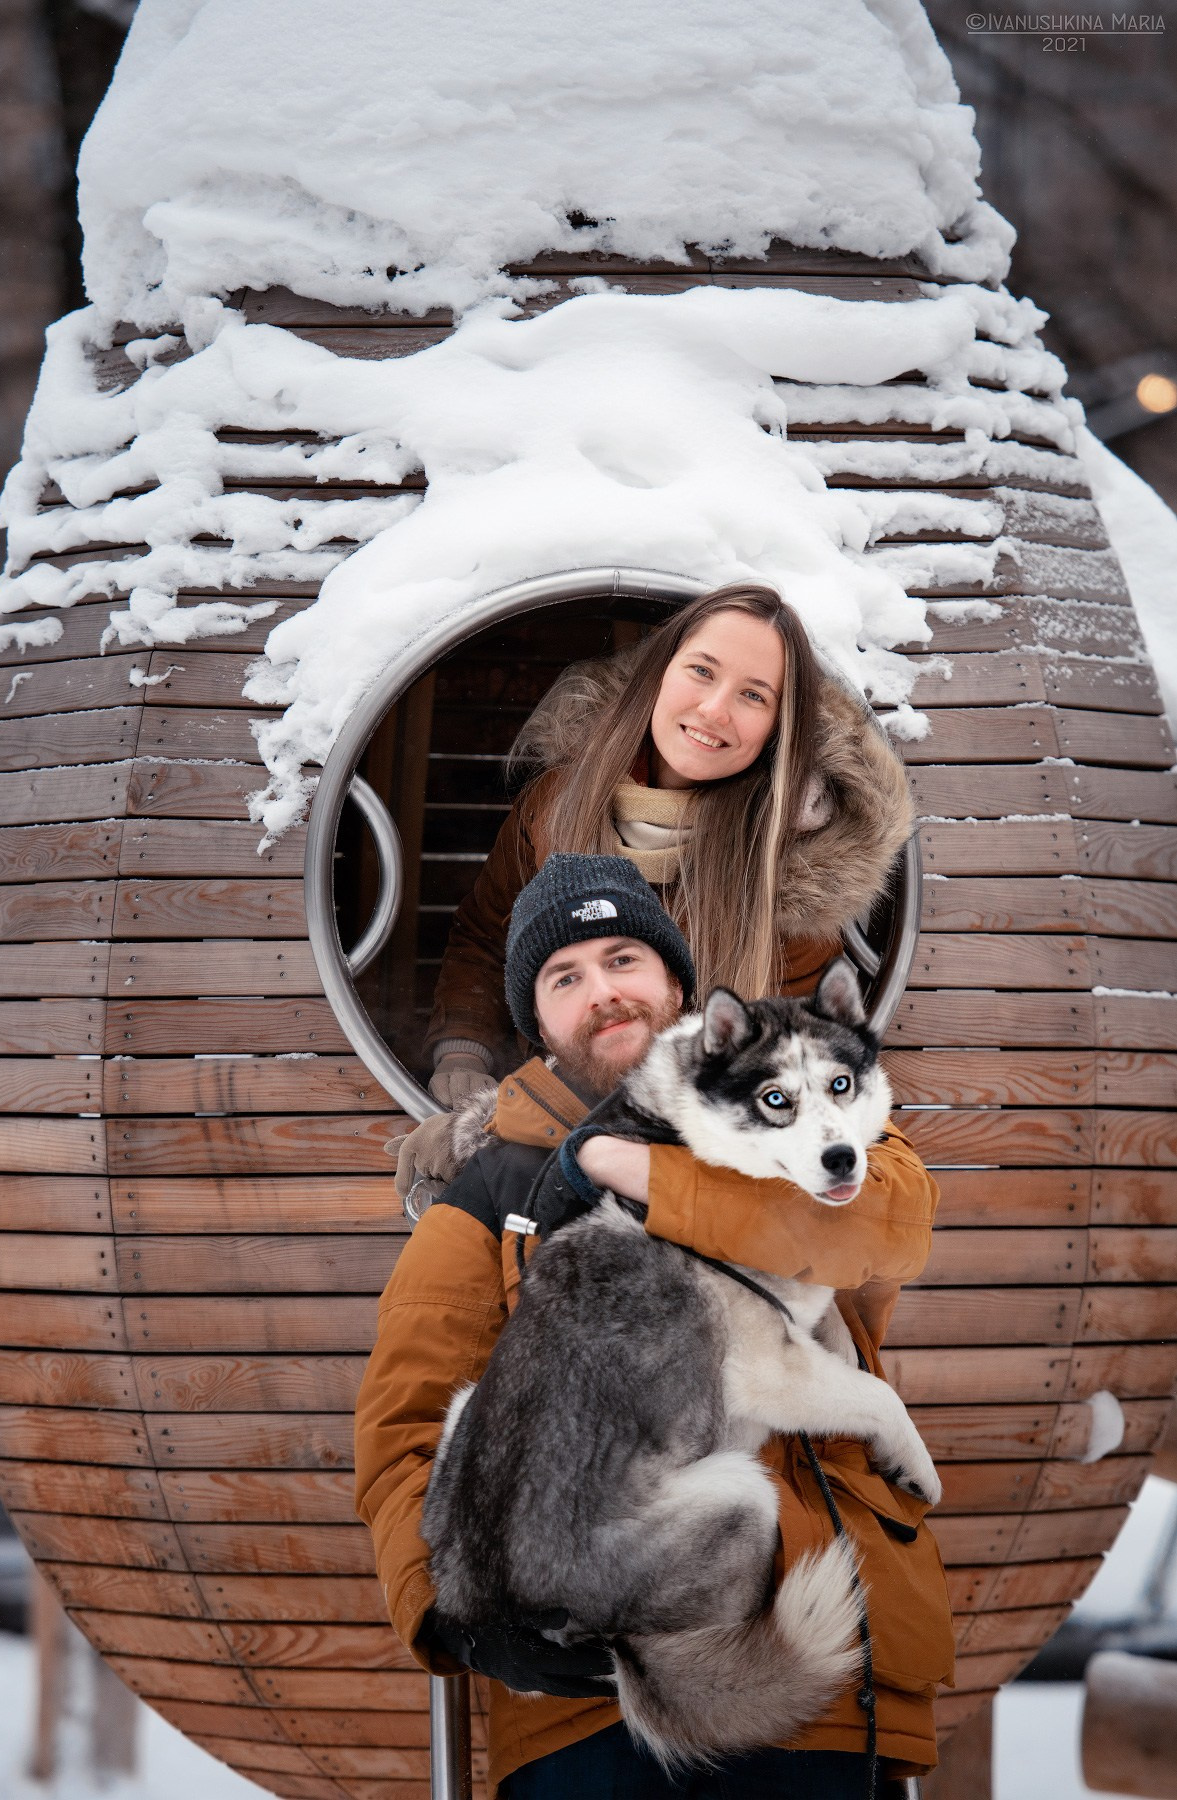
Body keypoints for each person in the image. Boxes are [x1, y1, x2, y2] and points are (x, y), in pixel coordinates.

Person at [355, 855, 955, 1800]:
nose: (601, 992)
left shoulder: (811, 1122)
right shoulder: (490, 1198)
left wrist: (634, 1171)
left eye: (621, 956)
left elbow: (889, 1229)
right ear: (537, 1022)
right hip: (589, 1706)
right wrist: (453, 1615)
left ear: (675, 982)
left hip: (830, 1676)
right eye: (566, 977)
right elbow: (406, 1434)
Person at [424, 582, 912, 1112]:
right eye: (702, 670)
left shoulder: (789, 868)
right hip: (552, 1104)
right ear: (660, 672)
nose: (715, 709)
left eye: (754, 695)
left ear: (777, 726)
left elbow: (801, 1056)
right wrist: (464, 1049)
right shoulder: (557, 805)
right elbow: (485, 935)